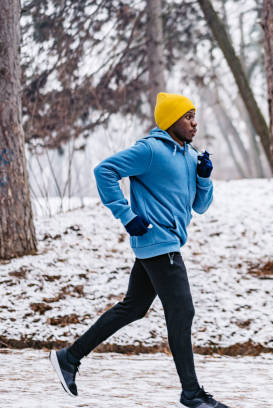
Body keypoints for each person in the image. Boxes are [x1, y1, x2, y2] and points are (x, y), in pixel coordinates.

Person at [49, 92, 230, 408]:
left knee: (133, 308)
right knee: (182, 311)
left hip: (164, 243)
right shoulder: (150, 150)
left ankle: (69, 357)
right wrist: (126, 215)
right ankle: (191, 392)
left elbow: (201, 206)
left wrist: (204, 177)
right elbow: (104, 171)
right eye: (188, 117)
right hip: (159, 243)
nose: (194, 122)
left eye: (194, 115)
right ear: (172, 120)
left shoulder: (190, 157)